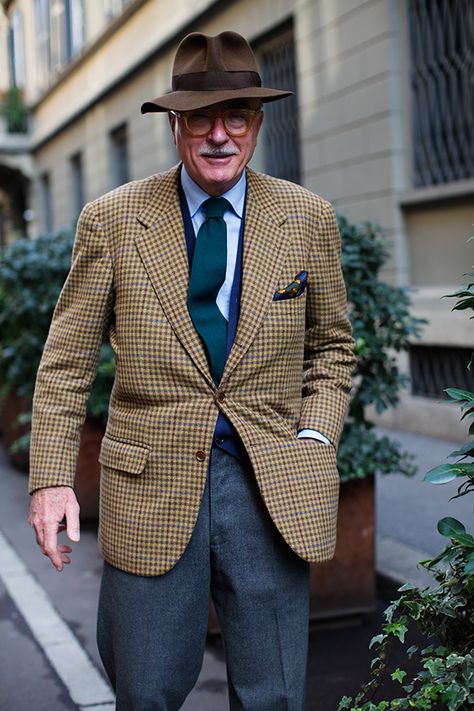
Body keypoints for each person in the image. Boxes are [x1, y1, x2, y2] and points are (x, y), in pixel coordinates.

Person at [28, 30, 356, 711]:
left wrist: (317, 437)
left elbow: (332, 346)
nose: (218, 135)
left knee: (274, 698)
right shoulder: (113, 221)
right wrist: (53, 477)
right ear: (176, 125)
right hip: (148, 489)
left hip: (270, 491)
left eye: (236, 116)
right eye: (200, 117)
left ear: (258, 124)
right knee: (144, 693)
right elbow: (65, 358)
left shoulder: (306, 219)